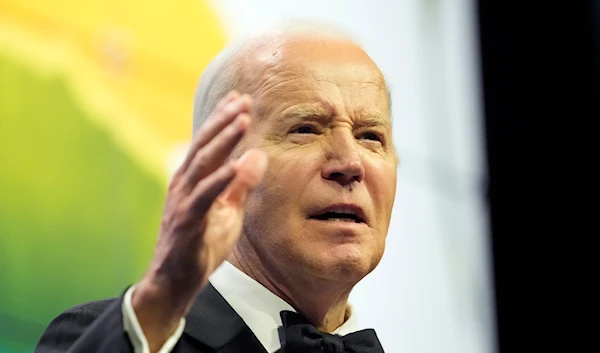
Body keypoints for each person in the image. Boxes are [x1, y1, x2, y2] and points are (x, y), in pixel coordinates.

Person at [35, 21, 398, 353]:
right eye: (306, 129)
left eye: (370, 136)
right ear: (217, 166)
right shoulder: (125, 338)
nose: (350, 163)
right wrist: (160, 303)